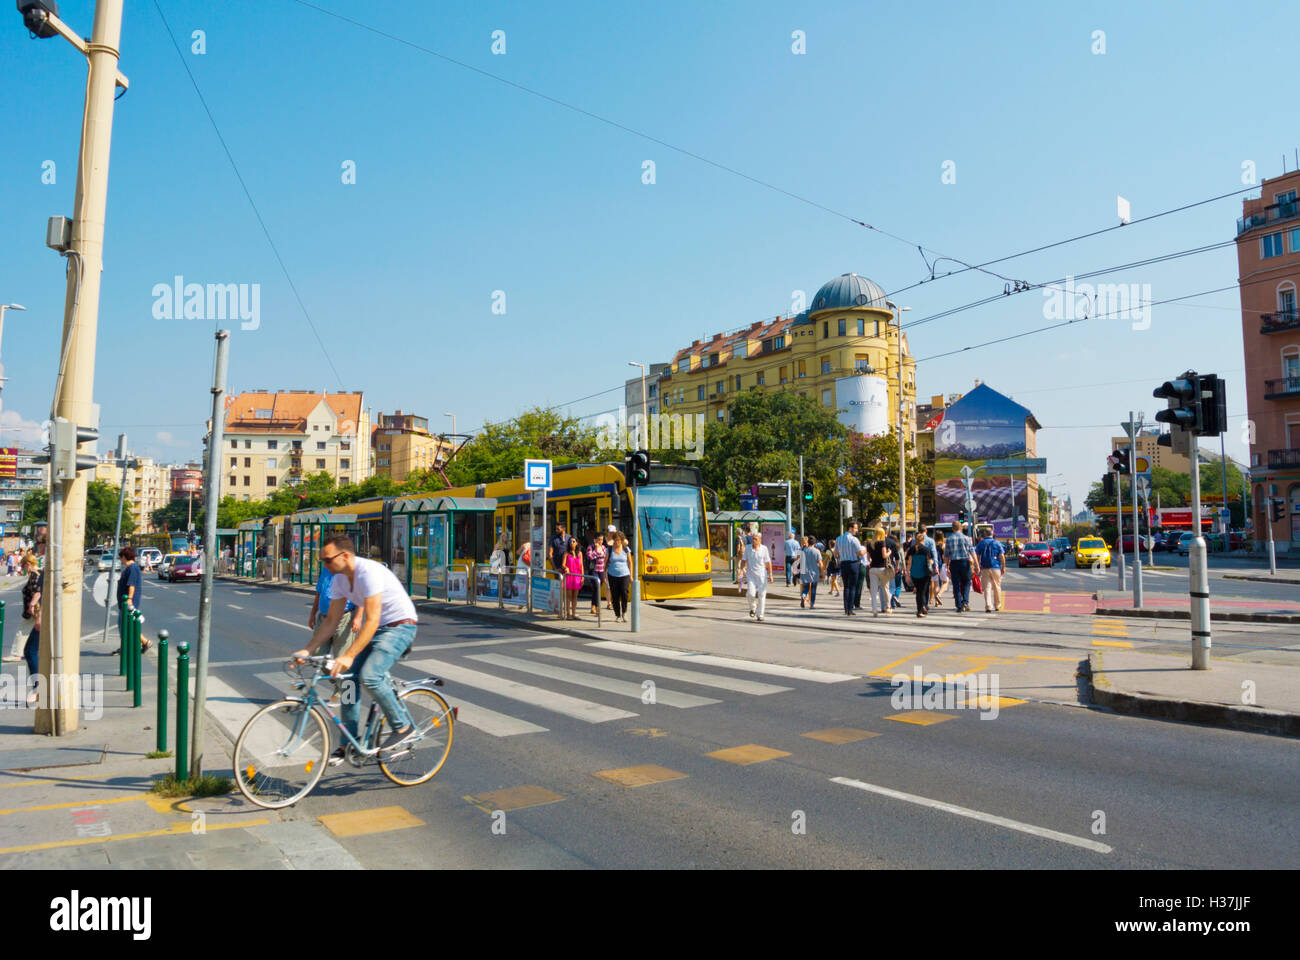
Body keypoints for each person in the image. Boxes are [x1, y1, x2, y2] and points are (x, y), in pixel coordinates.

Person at [294, 534, 420, 765]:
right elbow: (332, 620)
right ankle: (348, 741)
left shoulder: (368, 572)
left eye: (328, 560)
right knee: (348, 681)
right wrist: (308, 649)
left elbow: (371, 620)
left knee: (370, 676)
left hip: (400, 626)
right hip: (379, 629)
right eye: (322, 560)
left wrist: (349, 655)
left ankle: (402, 727)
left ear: (345, 556)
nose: (324, 565)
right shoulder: (340, 580)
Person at [308, 556, 362, 696]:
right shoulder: (326, 571)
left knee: (342, 659)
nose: (325, 564)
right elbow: (319, 593)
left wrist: (358, 617)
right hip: (324, 618)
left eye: (327, 560)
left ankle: (344, 696)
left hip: (344, 618)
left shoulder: (349, 572)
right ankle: (337, 680)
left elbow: (361, 595)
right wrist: (312, 613)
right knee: (317, 655)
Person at [115, 547, 151, 652]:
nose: (120, 560)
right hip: (125, 602)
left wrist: (129, 599)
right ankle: (145, 642)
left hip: (128, 602)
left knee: (125, 624)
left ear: (125, 557)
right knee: (126, 624)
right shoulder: (129, 568)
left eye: (121, 558)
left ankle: (127, 647)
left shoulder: (132, 568)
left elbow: (132, 585)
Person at [944, 520, 979, 613]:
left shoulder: (949, 539)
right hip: (965, 562)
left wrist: (946, 566)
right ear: (961, 528)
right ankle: (965, 602)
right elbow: (972, 552)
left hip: (954, 563)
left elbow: (946, 555)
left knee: (956, 584)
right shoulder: (967, 538)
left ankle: (959, 605)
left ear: (952, 528)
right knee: (967, 582)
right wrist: (976, 564)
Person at [835, 521, 866, 617]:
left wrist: (842, 555)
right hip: (853, 564)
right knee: (853, 587)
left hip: (843, 564)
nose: (856, 530)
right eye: (856, 528)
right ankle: (850, 608)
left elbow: (835, 552)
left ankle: (846, 608)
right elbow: (860, 553)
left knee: (846, 587)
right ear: (850, 528)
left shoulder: (839, 539)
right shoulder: (854, 539)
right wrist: (865, 550)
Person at [904, 529, 937, 617]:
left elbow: (909, 562)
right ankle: (921, 609)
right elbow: (930, 562)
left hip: (914, 573)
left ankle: (921, 608)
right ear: (923, 540)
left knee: (919, 591)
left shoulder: (911, 549)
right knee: (923, 591)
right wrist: (933, 564)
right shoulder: (926, 550)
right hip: (924, 573)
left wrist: (907, 574)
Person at [742, 532, 773, 621]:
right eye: (753, 539)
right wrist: (741, 571)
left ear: (760, 540)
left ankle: (760, 614)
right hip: (751, 575)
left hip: (762, 575)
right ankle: (753, 607)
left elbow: (768, 562)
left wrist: (770, 574)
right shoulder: (748, 548)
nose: (753, 541)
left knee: (762, 594)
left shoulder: (764, 549)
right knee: (750, 594)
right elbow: (744, 560)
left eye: (755, 539)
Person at [975, 528, 1006, 612]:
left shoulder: (981, 543)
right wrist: (1003, 567)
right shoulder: (997, 543)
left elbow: (977, 555)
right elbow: (1002, 556)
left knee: (987, 588)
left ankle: (988, 606)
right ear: (992, 534)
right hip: (996, 567)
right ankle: (997, 605)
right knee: (997, 586)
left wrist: (978, 566)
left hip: (985, 567)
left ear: (985, 534)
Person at [866, 528, 893, 616]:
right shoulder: (882, 543)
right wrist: (889, 552)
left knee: (873, 591)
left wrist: (872, 561)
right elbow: (884, 556)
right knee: (885, 588)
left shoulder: (870, 544)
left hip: (873, 569)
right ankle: (888, 607)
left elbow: (868, 558)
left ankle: (874, 610)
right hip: (882, 568)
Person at [607, 531, 632, 622]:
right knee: (615, 595)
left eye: (618, 540)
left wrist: (631, 575)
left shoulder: (626, 549)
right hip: (612, 574)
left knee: (624, 593)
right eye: (615, 540)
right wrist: (604, 576)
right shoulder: (609, 549)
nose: (617, 542)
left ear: (622, 540)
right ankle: (617, 614)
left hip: (624, 574)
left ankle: (624, 613)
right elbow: (606, 563)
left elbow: (630, 562)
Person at [585, 533, 607, 615]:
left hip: (601, 570)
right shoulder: (591, 547)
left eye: (602, 539)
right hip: (593, 570)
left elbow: (605, 557)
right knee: (597, 587)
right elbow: (590, 557)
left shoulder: (604, 547)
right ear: (595, 540)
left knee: (596, 589)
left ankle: (593, 606)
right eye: (599, 539)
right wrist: (596, 550)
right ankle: (597, 607)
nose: (600, 541)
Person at [563, 536, 584, 619]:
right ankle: (568, 613)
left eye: (573, 541)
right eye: (570, 541)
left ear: (577, 543)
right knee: (568, 596)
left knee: (575, 596)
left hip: (577, 576)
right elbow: (563, 564)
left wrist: (582, 576)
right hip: (569, 576)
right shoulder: (566, 553)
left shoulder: (580, 553)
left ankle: (574, 613)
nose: (571, 543)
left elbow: (581, 565)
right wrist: (566, 568)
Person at [800, 536, 822, 609]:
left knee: (806, 587)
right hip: (814, 572)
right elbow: (820, 563)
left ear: (808, 542)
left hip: (805, 571)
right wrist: (822, 572)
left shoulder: (803, 551)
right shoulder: (817, 551)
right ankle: (812, 604)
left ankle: (803, 596)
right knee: (813, 588)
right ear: (814, 543)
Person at [931, 532, 948, 608]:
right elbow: (945, 557)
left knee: (936, 584)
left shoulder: (933, 544)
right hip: (941, 565)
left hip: (933, 565)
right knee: (945, 582)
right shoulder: (943, 545)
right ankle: (939, 594)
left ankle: (936, 602)